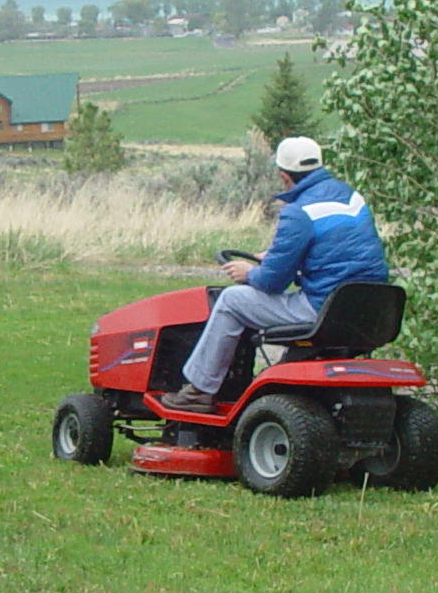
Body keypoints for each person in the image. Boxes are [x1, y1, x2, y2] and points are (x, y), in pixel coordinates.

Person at [164, 136, 388, 411]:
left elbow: (272, 282)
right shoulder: (351, 196)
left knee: (231, 300)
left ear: (284, 176)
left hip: (323, 310)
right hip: (368, 308)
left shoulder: (298, 211)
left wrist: (249, 273)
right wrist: (273, 257)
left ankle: (199, 390)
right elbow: (335, 250)